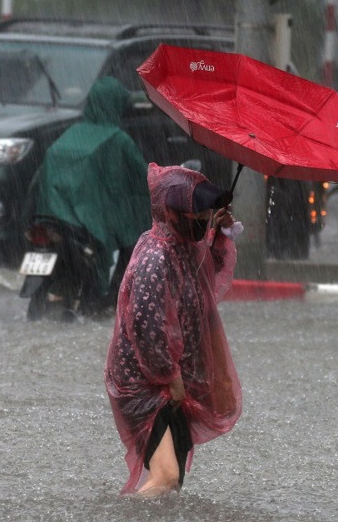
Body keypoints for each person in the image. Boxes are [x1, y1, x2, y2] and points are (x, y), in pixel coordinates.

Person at [104, 163, 243, 496]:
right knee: (165, 479)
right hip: (147, 384)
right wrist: (170, 377)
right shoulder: (156, 258)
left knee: (172, 481)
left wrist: (219, 235)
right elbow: (148, 327)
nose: (204, 217)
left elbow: (209, 280)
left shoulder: (185, 247)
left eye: (207, 210)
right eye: (198, 211)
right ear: (173, 212)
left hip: (173, 381)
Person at [32, 76, 151, 310]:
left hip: (50, 215)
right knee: (122, 243)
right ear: (117, 105)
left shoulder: (72, 132)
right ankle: (104, 301)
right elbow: (142, 176)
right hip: (86, 222)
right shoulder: (118, 139)